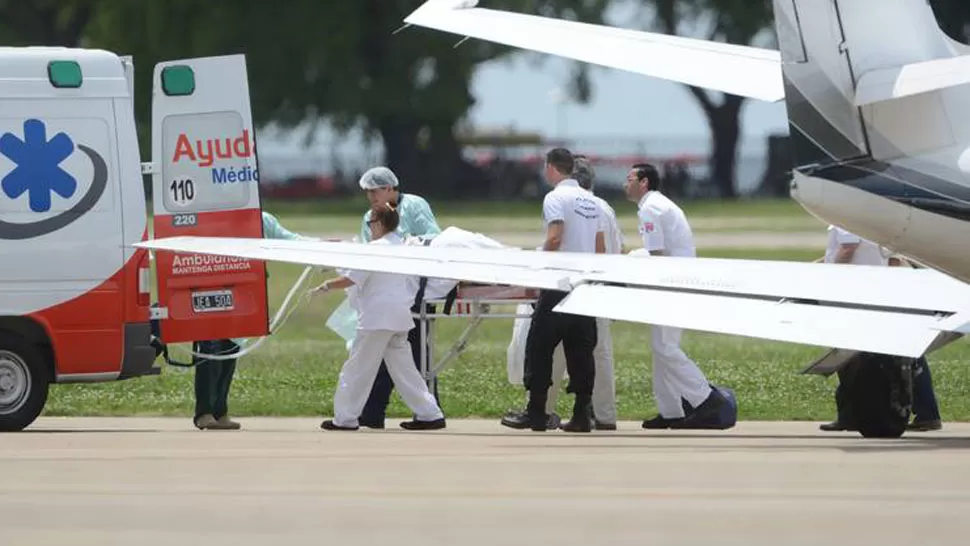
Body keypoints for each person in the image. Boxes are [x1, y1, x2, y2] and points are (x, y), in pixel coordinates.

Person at [500, 155, 619, 430]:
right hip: (584, 285)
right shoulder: (593, 202)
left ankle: (537, 411)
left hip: (558, 283)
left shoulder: (555, 198)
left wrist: (538, 263)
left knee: (539, 347)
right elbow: (599, 247)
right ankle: (581, 413)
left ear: (551, 168)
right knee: (582, 352)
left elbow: (555, 236)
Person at [316, 202, 446, 431]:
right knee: (404, 369)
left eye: (370, 223)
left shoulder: (374, 249)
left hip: (377, 319)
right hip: (400, 317)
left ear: (379, 224)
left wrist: (326, 285)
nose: (369, 228)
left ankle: (345, 418)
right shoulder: (406, 247)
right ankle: (429, 414)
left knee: (357, 368)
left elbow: (352, 278)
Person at [623, 163, 729, 429]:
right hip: (677, 281)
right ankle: (671, 412)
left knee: (664, 347)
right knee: (661, 348)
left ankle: (705, 398)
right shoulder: (658, 204)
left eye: (630, 179)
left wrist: (626, 261)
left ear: (644, 182)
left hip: (671, 285)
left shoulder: (650, 208)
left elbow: (656, 255)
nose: (626, 184)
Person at [192, 211, 309, 431]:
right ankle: (204, 413)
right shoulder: (210, 215)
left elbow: (289, 239)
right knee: (210, 349)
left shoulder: (262, 219)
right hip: (212, 288)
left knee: (231, 349)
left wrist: (319, 245)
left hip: (244, 290)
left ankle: (220, 411)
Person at [818, 227, 942, 432]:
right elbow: (892, 259)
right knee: (905, 353)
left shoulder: (847, 216)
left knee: (850, 356)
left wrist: (826, 277)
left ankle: (849, 415)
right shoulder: (876, 220)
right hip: (879, 291)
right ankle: (927, 413)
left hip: (853, 293)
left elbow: (848, 249)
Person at [355, 166, 444, 429]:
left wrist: (405, 244)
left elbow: (433, 237)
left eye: (376, 190)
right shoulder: (368, 217)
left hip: (414, 290)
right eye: (368, 192)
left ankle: (383, 411)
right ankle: (378, 411)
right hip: (383, 291)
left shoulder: (414, 205)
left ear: (391, 188)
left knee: (413, 353)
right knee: (393, 353)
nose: (372, 197)